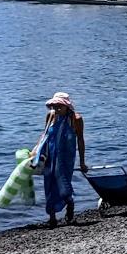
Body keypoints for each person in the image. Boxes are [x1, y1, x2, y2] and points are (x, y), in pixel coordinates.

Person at [34, 92, 86, 227]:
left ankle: (70, 202)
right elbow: (44, 134)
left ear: (67, 107)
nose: (55, 109)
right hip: (50, 155)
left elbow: (80, 140)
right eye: (53, 106)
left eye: (58, 106)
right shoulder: (51, 116)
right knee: (49, 184)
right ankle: (52, 218)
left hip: (66, 157)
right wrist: (35, 150)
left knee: (63, 183)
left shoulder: (76, 119)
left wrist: (82, 162)